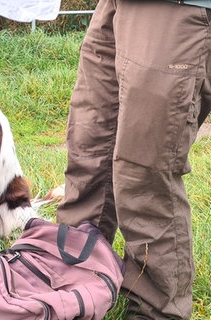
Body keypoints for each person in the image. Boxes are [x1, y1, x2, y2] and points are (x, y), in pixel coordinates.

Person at [55, 1, 211, 319]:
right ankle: (73, 282)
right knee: (90, 148)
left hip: (177, 9)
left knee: (145, 169)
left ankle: (155, 310)